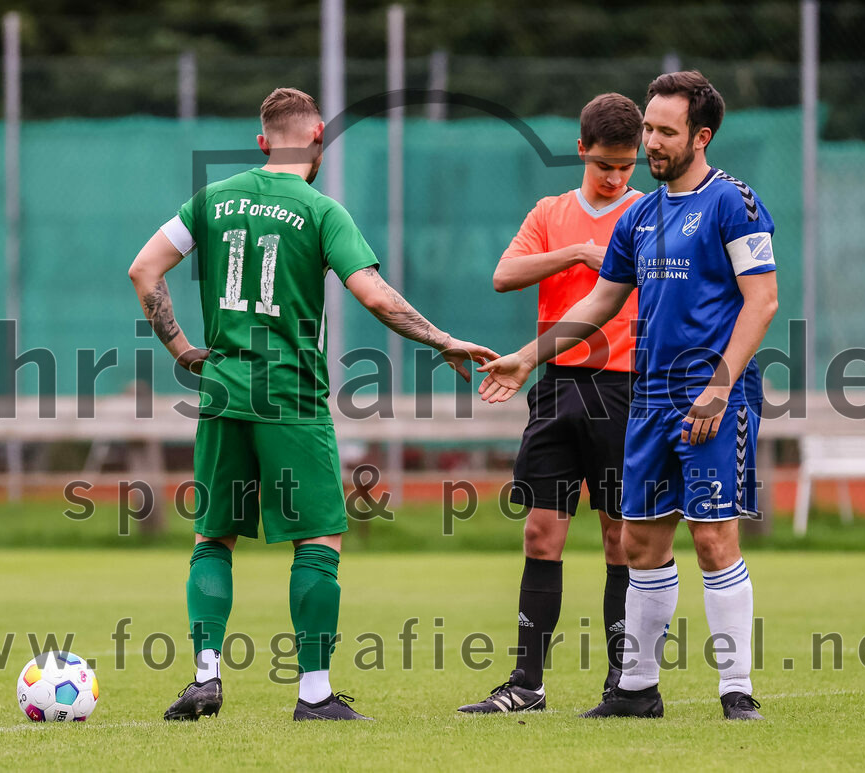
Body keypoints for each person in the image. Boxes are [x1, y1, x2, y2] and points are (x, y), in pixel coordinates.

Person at [129, 87, 497, 722]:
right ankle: (314, 693)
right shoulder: (322, 211)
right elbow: (376, 297)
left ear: (262, 140)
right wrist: (443, 339)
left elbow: (144, 270)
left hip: (221, 389)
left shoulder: (211, 199)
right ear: (320, 136)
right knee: (319, 539)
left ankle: (205, 677)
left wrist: (184, 350)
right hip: (291, 395)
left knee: (213, 537)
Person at [478, 71, 778, 721]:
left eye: (665, 131)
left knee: (714, 539)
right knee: (641, 544)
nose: (651, 143)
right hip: (647, 398)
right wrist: (528, 357)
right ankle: (637, 690)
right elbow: (600, 301)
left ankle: (737, 691)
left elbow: (764, 299)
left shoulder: (735, 203)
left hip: (710, 395)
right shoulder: (640, 215)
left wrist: (720, 387)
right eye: (649, 127)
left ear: (701, 136)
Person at [457, 93, 644, 714]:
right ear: (582, 151)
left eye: (628, 165)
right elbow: (504, 275)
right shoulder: (551, 213)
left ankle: (626, 685)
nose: (618, 177)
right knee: (541, 534)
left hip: (626, 388)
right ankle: (526, 686)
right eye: (607, 166)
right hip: (557, 386)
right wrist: (578, 253)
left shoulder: (652, 214)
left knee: (621, 539)